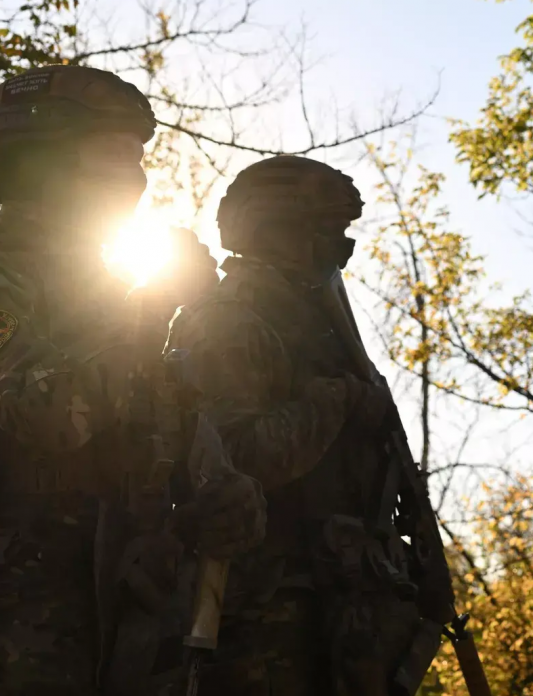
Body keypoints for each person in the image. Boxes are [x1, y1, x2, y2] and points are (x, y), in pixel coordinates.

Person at [0, 65, 265, 695]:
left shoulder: (107, 289)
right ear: (42, 158)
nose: (134, 177)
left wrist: (222, 490)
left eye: (138, 157)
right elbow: (53, 416)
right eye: (113, 153)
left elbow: (161, 425)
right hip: (2, 614)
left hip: (121, 603)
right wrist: (150, 310)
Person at [165, 155, 446, 695]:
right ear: (274, 230)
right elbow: (237, 459)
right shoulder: (229, 316)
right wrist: (337, 399)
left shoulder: (316, 326)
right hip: (268, 617)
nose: (339, 249)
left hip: (347, 611)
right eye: (325, 232)